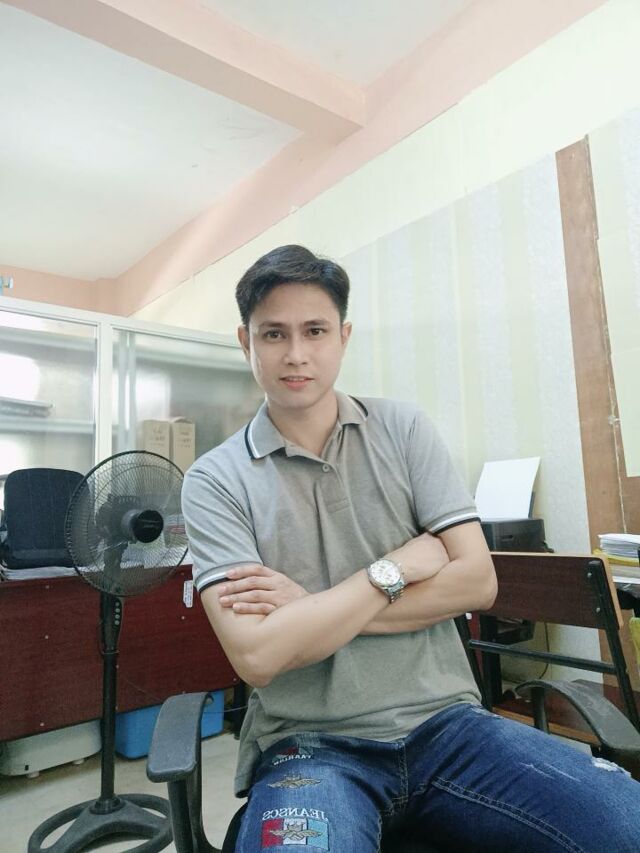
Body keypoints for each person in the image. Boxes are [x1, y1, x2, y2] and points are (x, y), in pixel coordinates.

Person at [182, 245, 640, 852]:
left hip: (449, 726)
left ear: (343, 337)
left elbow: (478, 583)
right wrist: (391, 571)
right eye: (274, 333)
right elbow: (258, 656)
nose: (296, 353)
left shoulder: (403, 429)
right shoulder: (214, 480)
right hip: (310, 746)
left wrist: (308, 610)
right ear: (246, 342)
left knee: (625, 823)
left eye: (315, 330)